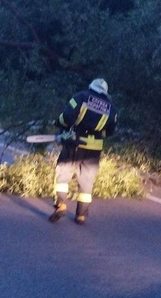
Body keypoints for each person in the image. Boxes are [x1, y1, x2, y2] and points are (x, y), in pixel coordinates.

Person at [49, 78, 117, 225]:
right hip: (94, 148)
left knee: (63, 173)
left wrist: (59, 123)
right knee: (86, 181)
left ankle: (61, 204)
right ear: (105, 92)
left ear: (91, 87)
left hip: (74, 142)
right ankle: (81, 215)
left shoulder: (80, 97)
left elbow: (67, 117)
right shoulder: (111, 107)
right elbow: (111, 130)